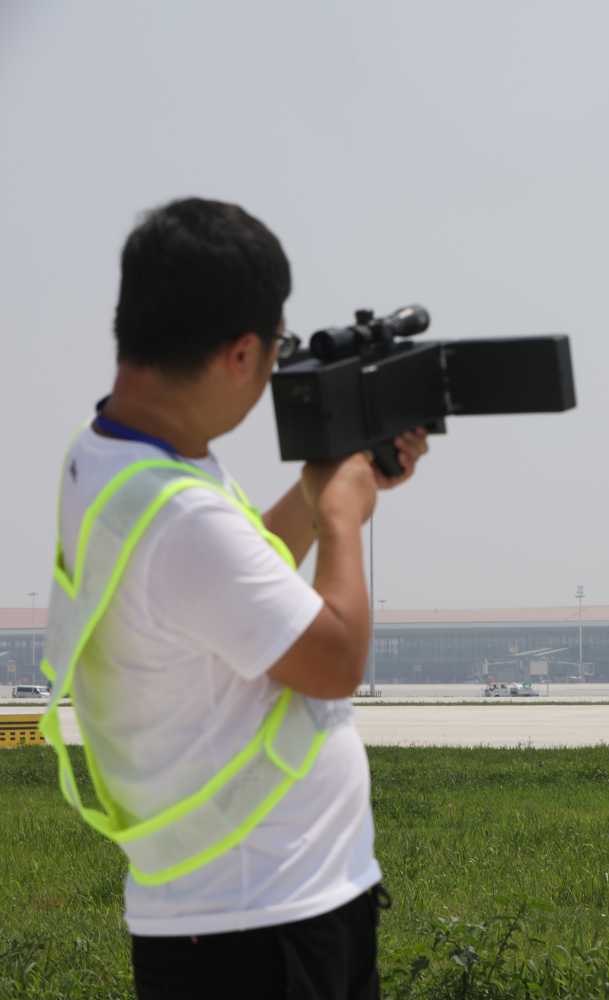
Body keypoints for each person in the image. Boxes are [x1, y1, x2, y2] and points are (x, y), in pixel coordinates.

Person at [39, 197, 428, 999]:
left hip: (236, 914)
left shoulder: (114, 458)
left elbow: (232, 588)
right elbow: (333, 659)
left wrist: (315, 487)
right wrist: (346, 517)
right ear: (243, 351)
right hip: (263, 930)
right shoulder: (183, 515)